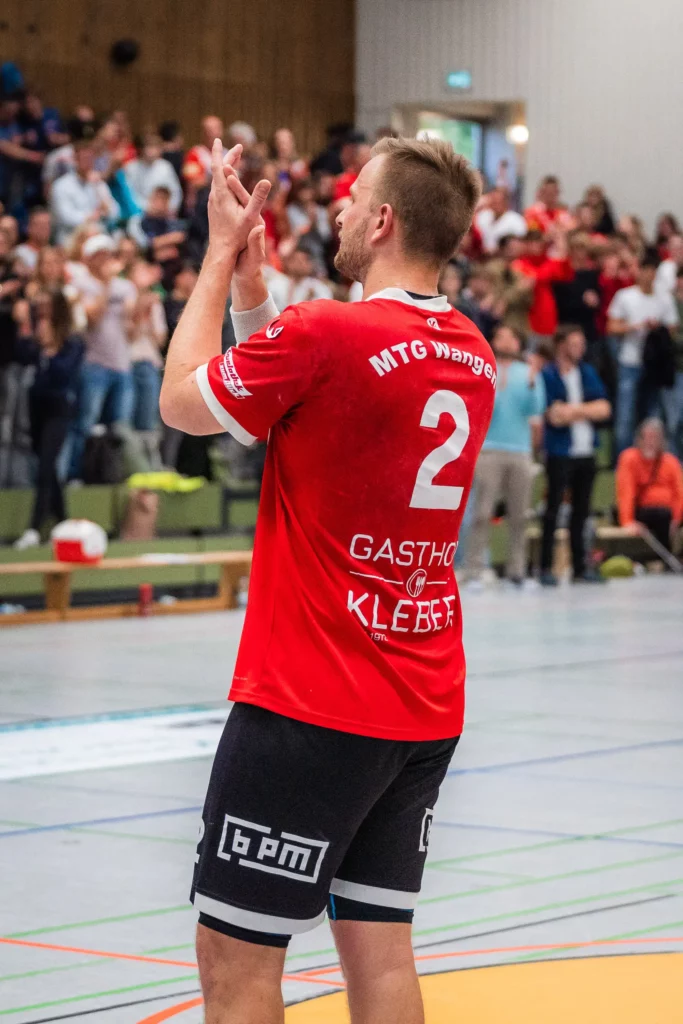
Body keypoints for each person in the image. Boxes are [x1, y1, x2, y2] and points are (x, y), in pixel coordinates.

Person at [160, 135, 493, 1024]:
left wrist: (218, 255)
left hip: (311, 704)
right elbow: (306, 403)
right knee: (379, 956)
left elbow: (184, 400)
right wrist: (254, 291)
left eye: (351, 197)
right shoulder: (471, 352)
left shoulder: (327, 332)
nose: (338, 209)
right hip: (421, 704)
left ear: (380, 221)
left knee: (236, 963)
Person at [464, 325, 545, 587]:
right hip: (489, 448)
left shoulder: (528, 372)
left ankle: (516, 572)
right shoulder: (484, 369)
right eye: (501, 337)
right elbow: (480, 405)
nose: (507, 342)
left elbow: (535, 409)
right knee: (481, 512)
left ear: (518, 343)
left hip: (520, 450)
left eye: (511, 337)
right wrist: (498, 387)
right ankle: (474, 569)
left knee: (519, 515)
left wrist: (531, 382)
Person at [12, 289, 84, 549]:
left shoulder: (72, 342)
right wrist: (26, 331)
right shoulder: (36, 337)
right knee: (47, 466)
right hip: (36, 406)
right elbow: (21, 355)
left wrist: (51, 350)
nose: (42, 313)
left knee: (45, 465)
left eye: (47, 307)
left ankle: (34, 527)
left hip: (59, 408)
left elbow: (64, 374)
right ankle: (64, 522)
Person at [540, 325, 611, 585]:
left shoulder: (586, 372)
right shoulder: (548, 374)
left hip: (585, 450)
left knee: (582, 511)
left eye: (582, 344)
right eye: (574, 344)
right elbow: (552, 415)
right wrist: (585, 410)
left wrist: (571, 411)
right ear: (561, 345)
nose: (580, 349)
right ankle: (546, 567)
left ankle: (581, 566)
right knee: (553, 510)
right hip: (560, 451)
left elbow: (604, 408)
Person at [68, 234, 136, 479]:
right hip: (93, 364)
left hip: (122, 365)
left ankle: (114, 477)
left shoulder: (126, 286)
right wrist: (107, 285)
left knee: (119, 429)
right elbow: (92, 320)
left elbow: (131, 329)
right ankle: (76, 476)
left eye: (108, 254)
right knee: (85, 425)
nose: (106, 259)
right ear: (88, 259)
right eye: (100, 255)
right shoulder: (80, 285)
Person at [608, 249, 678, 454]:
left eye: (652, 270)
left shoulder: (664, 298)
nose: (649, 275)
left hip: (654, 364)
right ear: (639, 271)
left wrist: (657, 328)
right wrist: (634, 326)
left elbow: (673, 327)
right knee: (626, 414)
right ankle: (622, 457)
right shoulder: (625, 296)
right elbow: (611, 326)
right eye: (645, 270)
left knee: (652, 414)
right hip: (630, 360)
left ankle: (651, 456)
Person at [617, 419, 683, 552]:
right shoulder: (629, 458)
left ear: (662, 441)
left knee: (666, 515)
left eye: (654, 438)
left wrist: (676, 519)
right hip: (644, 511)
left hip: (670, 513)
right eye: (646, 438)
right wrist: (627, 521)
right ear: (638, 439)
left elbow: (680, 493)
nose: (649, 442)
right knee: (661, 515)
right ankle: (666, 556)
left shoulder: (671, 462)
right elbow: (626, 492)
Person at [50, 138, 119, 246]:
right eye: (84, 158)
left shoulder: (98, 183)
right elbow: (65, 217)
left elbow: (115, 212)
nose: (87, 162)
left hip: (98, 235)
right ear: (75, 160)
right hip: (71, 237)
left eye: (90, 159)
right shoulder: (61, 185)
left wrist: (100, 194)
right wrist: (91, 216)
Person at [513, 228, 573, 349]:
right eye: (533, 242)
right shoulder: (518, 264)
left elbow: (567, 275)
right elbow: (537, 277)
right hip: (529, 323)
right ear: (525, 244)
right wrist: (556, 257)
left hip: (548, 323)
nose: (538, 246)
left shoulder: (545, 262)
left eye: (539, 242)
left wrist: (560, 244)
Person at [124, 132, 183, 215]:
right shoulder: (131, 168)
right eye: (149, 147)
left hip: (165, 213)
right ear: (141, 149)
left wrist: (169, 207)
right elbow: (130, 195)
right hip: (140, 214)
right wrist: (148, 208)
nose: (152, 151)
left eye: (155, 147)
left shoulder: (166, 167)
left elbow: (176, 192)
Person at [267, 243, 333, 310]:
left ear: (310, 264)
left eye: (303, 260)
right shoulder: (276, 283)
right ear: (288, 263)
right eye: (295, 260)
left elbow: (325, 309)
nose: (299, 264)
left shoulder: (318, 288)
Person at [475, 187, 526, 254]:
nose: (495, 204)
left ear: (506, 202)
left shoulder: (517, 220)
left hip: (504, 258)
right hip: (481, 256)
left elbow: (520, 246)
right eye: (493, 201)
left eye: (498, 202)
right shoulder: (482, 216)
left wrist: (497, 250)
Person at [13, 207, 52, 274]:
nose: (44, 228)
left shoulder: (53, 253)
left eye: (47, 224)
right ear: (29, 227)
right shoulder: (19, 253)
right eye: (40, 224)